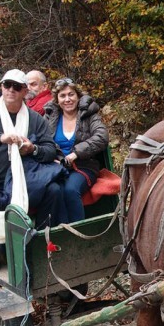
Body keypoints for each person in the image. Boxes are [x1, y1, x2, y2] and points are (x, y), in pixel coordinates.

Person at [0, 69, 65, 232]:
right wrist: (0, 138)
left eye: (16, 86)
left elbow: (50, 150)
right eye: (7, 85)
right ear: (1, 87)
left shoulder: (35, 118)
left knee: (54, 190)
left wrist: (32, 149)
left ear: (24, 91)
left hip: (26, 179)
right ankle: (1, 252)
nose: (11, 90)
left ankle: (42, 242)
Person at [43, 78, 109, 223]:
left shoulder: (89, 115)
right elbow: (42, 141)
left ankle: (77, 236)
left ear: (78, 96)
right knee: (53, 190)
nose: (67, 99)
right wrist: (51, 158)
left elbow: (102, 137)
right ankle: (56, 234)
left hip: (83, 166)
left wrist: (76, 153)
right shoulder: (50, 117)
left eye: (71, 94)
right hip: (56, 167)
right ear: (57, 100)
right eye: (63, 96)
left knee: (70, 190)